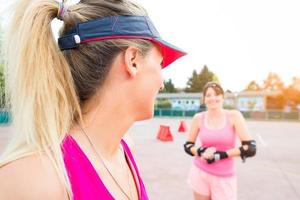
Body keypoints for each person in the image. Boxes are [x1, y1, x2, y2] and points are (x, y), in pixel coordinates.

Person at [0, 0, 186, 199]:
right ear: (132, 61)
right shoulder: (33, 181)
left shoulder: (123, 149)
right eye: (160, 63)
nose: (162, 81)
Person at [183, 82, 256, 200]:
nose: (213, 98)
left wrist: (220, 155)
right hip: (200, 172)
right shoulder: (198, 118)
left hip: (224, 176)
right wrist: (201, 152)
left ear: (222, 97)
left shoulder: (234, 116)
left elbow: (250, 148)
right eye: (208, 95)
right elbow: (188, 146)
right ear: (204, 99)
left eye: (217, 94)